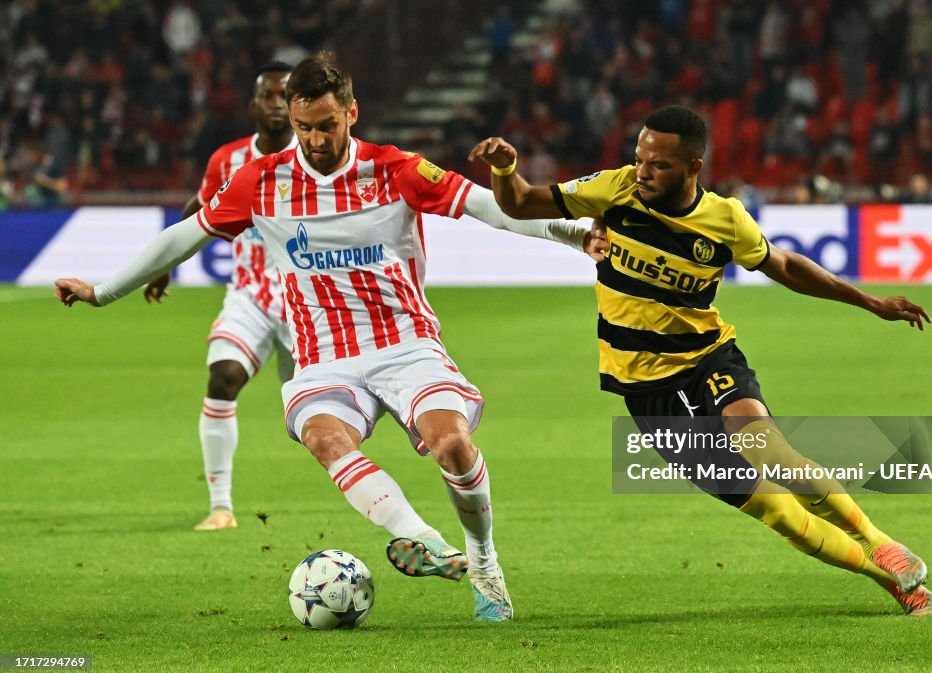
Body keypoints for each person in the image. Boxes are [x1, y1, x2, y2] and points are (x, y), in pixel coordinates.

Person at [55, 51, 602, 623]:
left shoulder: (397, 169)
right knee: (325, 437)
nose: (315, 140)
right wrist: (102, 290)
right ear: (292, 121)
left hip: (406, 344)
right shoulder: (260, 182)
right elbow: (182, 237)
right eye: (303, 127)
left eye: (327, 126)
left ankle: (484, 561)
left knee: (454, 447)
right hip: (323, 357)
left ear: (352, 114)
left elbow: (492, 209)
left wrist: (575, 234)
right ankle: (421, 539)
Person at [469, 105, 932, 617]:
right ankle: (891, 582)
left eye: (659, 164)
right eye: (639, 158)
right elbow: (520, 202)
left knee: (768, 450)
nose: (643, 172)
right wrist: (504, 169)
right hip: (643, 389)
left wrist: (869, 302)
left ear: (694, 167)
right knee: (773, 510)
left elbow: (784, 265)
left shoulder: (724, 220)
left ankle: (880, 542)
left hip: (706, 359)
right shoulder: (616, 189)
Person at [144, 62, 298, 532]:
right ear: (253, 106)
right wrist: (167, 262)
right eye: (268, 96)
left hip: (306, 300)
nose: (276, 103)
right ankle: (220, 507)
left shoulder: (318, 156)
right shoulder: (228, 160)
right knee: (222, 378)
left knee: (319, 417)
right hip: (249, 294)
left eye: (285, 96)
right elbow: (201, 209)